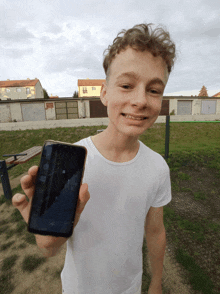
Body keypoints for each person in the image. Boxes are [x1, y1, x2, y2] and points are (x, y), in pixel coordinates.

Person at [12, 23, 176, 294]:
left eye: (154, 90)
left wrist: (156, 283)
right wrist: (48, 236)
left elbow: (156, 232)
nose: (140, 100)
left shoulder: (157, 167)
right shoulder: (72, 163)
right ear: (104, 93)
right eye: (126, 85)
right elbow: (49, 248)